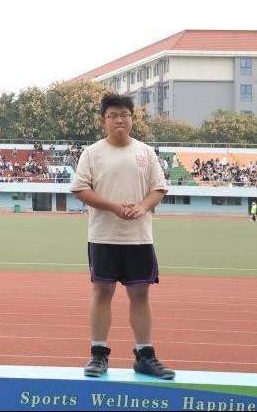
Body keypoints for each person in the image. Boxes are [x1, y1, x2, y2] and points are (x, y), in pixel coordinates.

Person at [70, 92, 173, 380]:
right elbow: (80, 189)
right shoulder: (92, 153)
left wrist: (143, 207)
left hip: (138, 238)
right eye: (113, 115)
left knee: (140, 295)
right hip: (103, 236)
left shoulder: (145, 152)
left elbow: (158, 188)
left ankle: (144, 355)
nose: (119, 120)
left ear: (132, 119)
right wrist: (114, 207)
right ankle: (98, 354)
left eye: (124, 115)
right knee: (102, 293)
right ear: (103, 121)